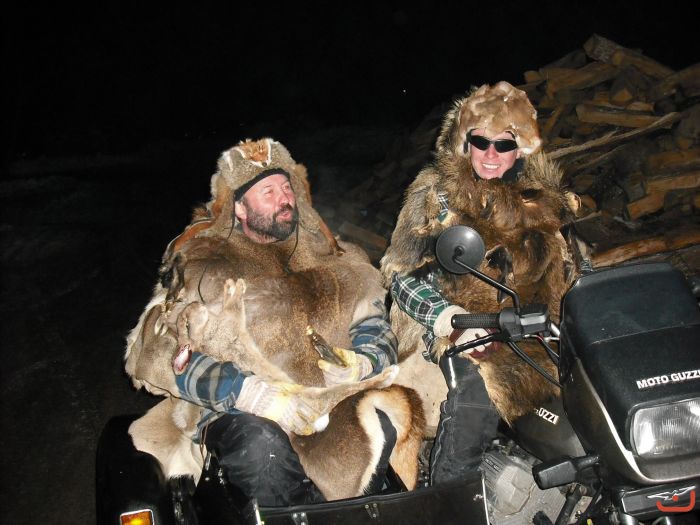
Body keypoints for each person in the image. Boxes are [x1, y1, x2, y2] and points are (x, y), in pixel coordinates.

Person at [125, 138, 406, 507]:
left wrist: (364, 362)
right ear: (240, 208)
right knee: (261, 447)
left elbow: (376, 327)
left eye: (287, 188)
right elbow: (160, 352)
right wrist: (245, 391)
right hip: (240, 412)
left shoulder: (334, 259)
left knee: (381, 423)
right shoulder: (202, 265)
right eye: (268, 192)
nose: (284, 198)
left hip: (327, 402)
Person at [380, 81, 576, 484]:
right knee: (477, 393)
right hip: (459, 326)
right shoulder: (436, 196)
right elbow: (401, 276)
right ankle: (450, 496)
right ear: (463, 142)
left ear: (521, 148)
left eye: (503, 144)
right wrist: (449, 320)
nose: (490, 154)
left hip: (534, 330)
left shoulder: (544, 204)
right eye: (480, 141)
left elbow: (573, 266)